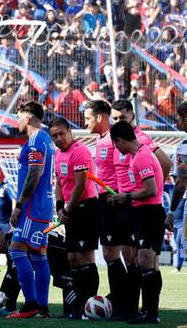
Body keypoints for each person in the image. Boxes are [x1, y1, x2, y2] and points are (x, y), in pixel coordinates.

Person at [109, 121, 165, 325]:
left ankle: (151, 313)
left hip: (149, 213)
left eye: (116, 145)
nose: (117, 150)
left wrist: (127, 196)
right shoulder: (140, 155)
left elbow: (150, 189)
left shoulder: (141, 157)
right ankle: (148, 311)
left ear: (120, 140)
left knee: (145, 261)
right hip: (145, 213)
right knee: (145, 262)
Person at [7, 101, 55, 319]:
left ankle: (31, 303)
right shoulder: (44, 140)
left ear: (27, 119)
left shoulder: (36, 141)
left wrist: (19, 205)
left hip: (32, 207)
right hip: (42, 206)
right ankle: (42, 308)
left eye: (18, 117)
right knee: (38, 255)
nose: (16, 122)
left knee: (17, 250)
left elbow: (34, 173)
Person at [50, 117, 100, 319]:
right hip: (70, 209)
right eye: (54, 135)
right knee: (72, 258)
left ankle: (89, 305)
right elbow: (60, 184)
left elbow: (80, 185)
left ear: (69, 131)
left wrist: (67, 211)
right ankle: (78, 305)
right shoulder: (57, 154)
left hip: (85, 208)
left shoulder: (80, 152)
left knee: (85, 256)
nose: (59, 138)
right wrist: (60, 208)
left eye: (62, 133)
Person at [83, 99, 129, 319]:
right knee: (110, 252)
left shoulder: (114, 139)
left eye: (88, 118)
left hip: (113, 201)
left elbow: (124, 167)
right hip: (103, 200)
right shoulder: (101, 140)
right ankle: (120, 297)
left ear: (100, 117)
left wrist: (118, 195)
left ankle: (123, 301)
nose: (85, 123)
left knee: (116, 252)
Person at [166, 102, 187, 260]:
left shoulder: (184, 148)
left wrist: (172, 212)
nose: (177, 122)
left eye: (179, 118)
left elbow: (181, 184)